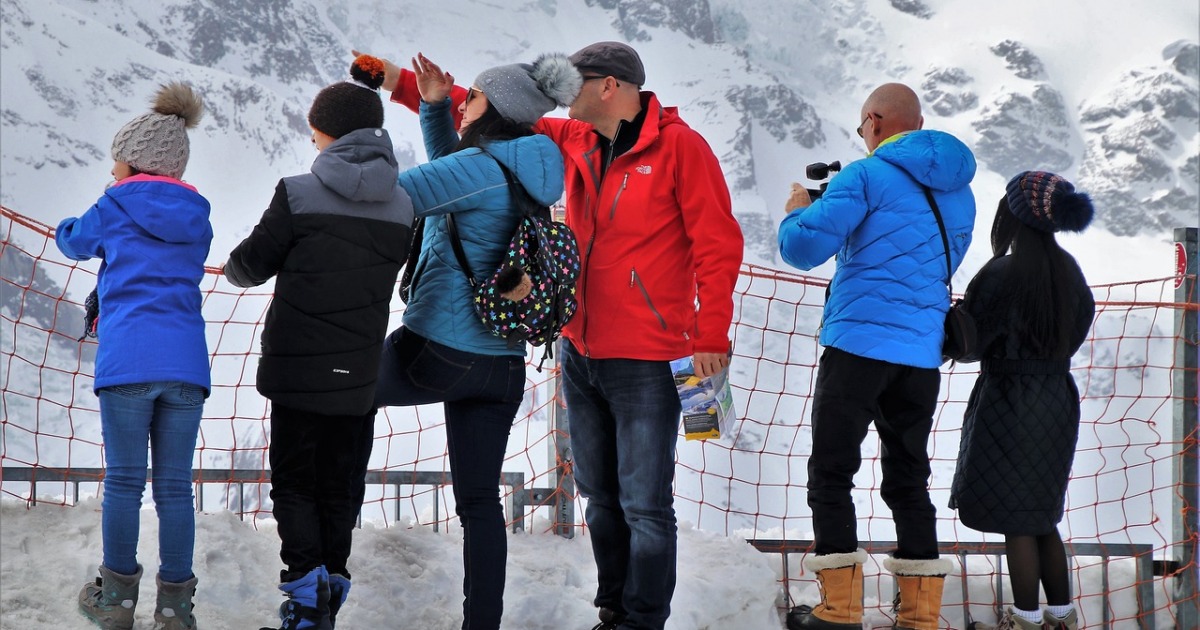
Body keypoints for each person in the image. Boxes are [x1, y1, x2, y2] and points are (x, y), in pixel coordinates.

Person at [371, 52, 579, 630]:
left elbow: (396, 195)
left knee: (349, 392)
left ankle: (328, 532)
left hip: (439, 350)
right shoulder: (529, 165)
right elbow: (458, 175)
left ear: (498, 109)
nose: (466, 102)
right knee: (479, 504)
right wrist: (434, 109)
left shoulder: (480, 167)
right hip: (501, 367)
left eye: (475, 97)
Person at [222, 55, 414, 630]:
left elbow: (250, 265)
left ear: (327, 133)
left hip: (298, 372)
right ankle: (332, 586)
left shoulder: (297, 193)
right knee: (340, 485)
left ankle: (306, 600)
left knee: (295, 483)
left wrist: (232, 269)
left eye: (314, 130)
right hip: (359, 374)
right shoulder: (404, 206)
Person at [777, 83, 976, 630]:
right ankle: (919, 616)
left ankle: (839, 610)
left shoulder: (864, 176)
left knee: (831, 471)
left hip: (858, 348)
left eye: (863, 125)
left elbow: (802, 249)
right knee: (909, 479)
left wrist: (798, 212)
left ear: (875, 121)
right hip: (921, 355)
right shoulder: (961, 192)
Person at [57, 82, 211, 630]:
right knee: (175, 488)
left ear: (134, 162)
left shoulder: (114, 203)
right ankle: (175, 611)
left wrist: (81, 217)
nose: (113, 167)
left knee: (125, 483)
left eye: (118, 158)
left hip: (128, 360)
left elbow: (73, 241)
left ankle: (117, 601)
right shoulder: (198, 213)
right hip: (187, 365)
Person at [950, 172, 1096, 630]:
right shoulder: (1071, 272)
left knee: (1017, 518)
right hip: (1057, 399)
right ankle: (1062, 616)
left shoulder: (1000, 273)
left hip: (1008, 400)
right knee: (1041, 515)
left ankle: (1026, 619)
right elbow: (1078, 330)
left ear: (1013, 215)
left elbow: (969, 343)